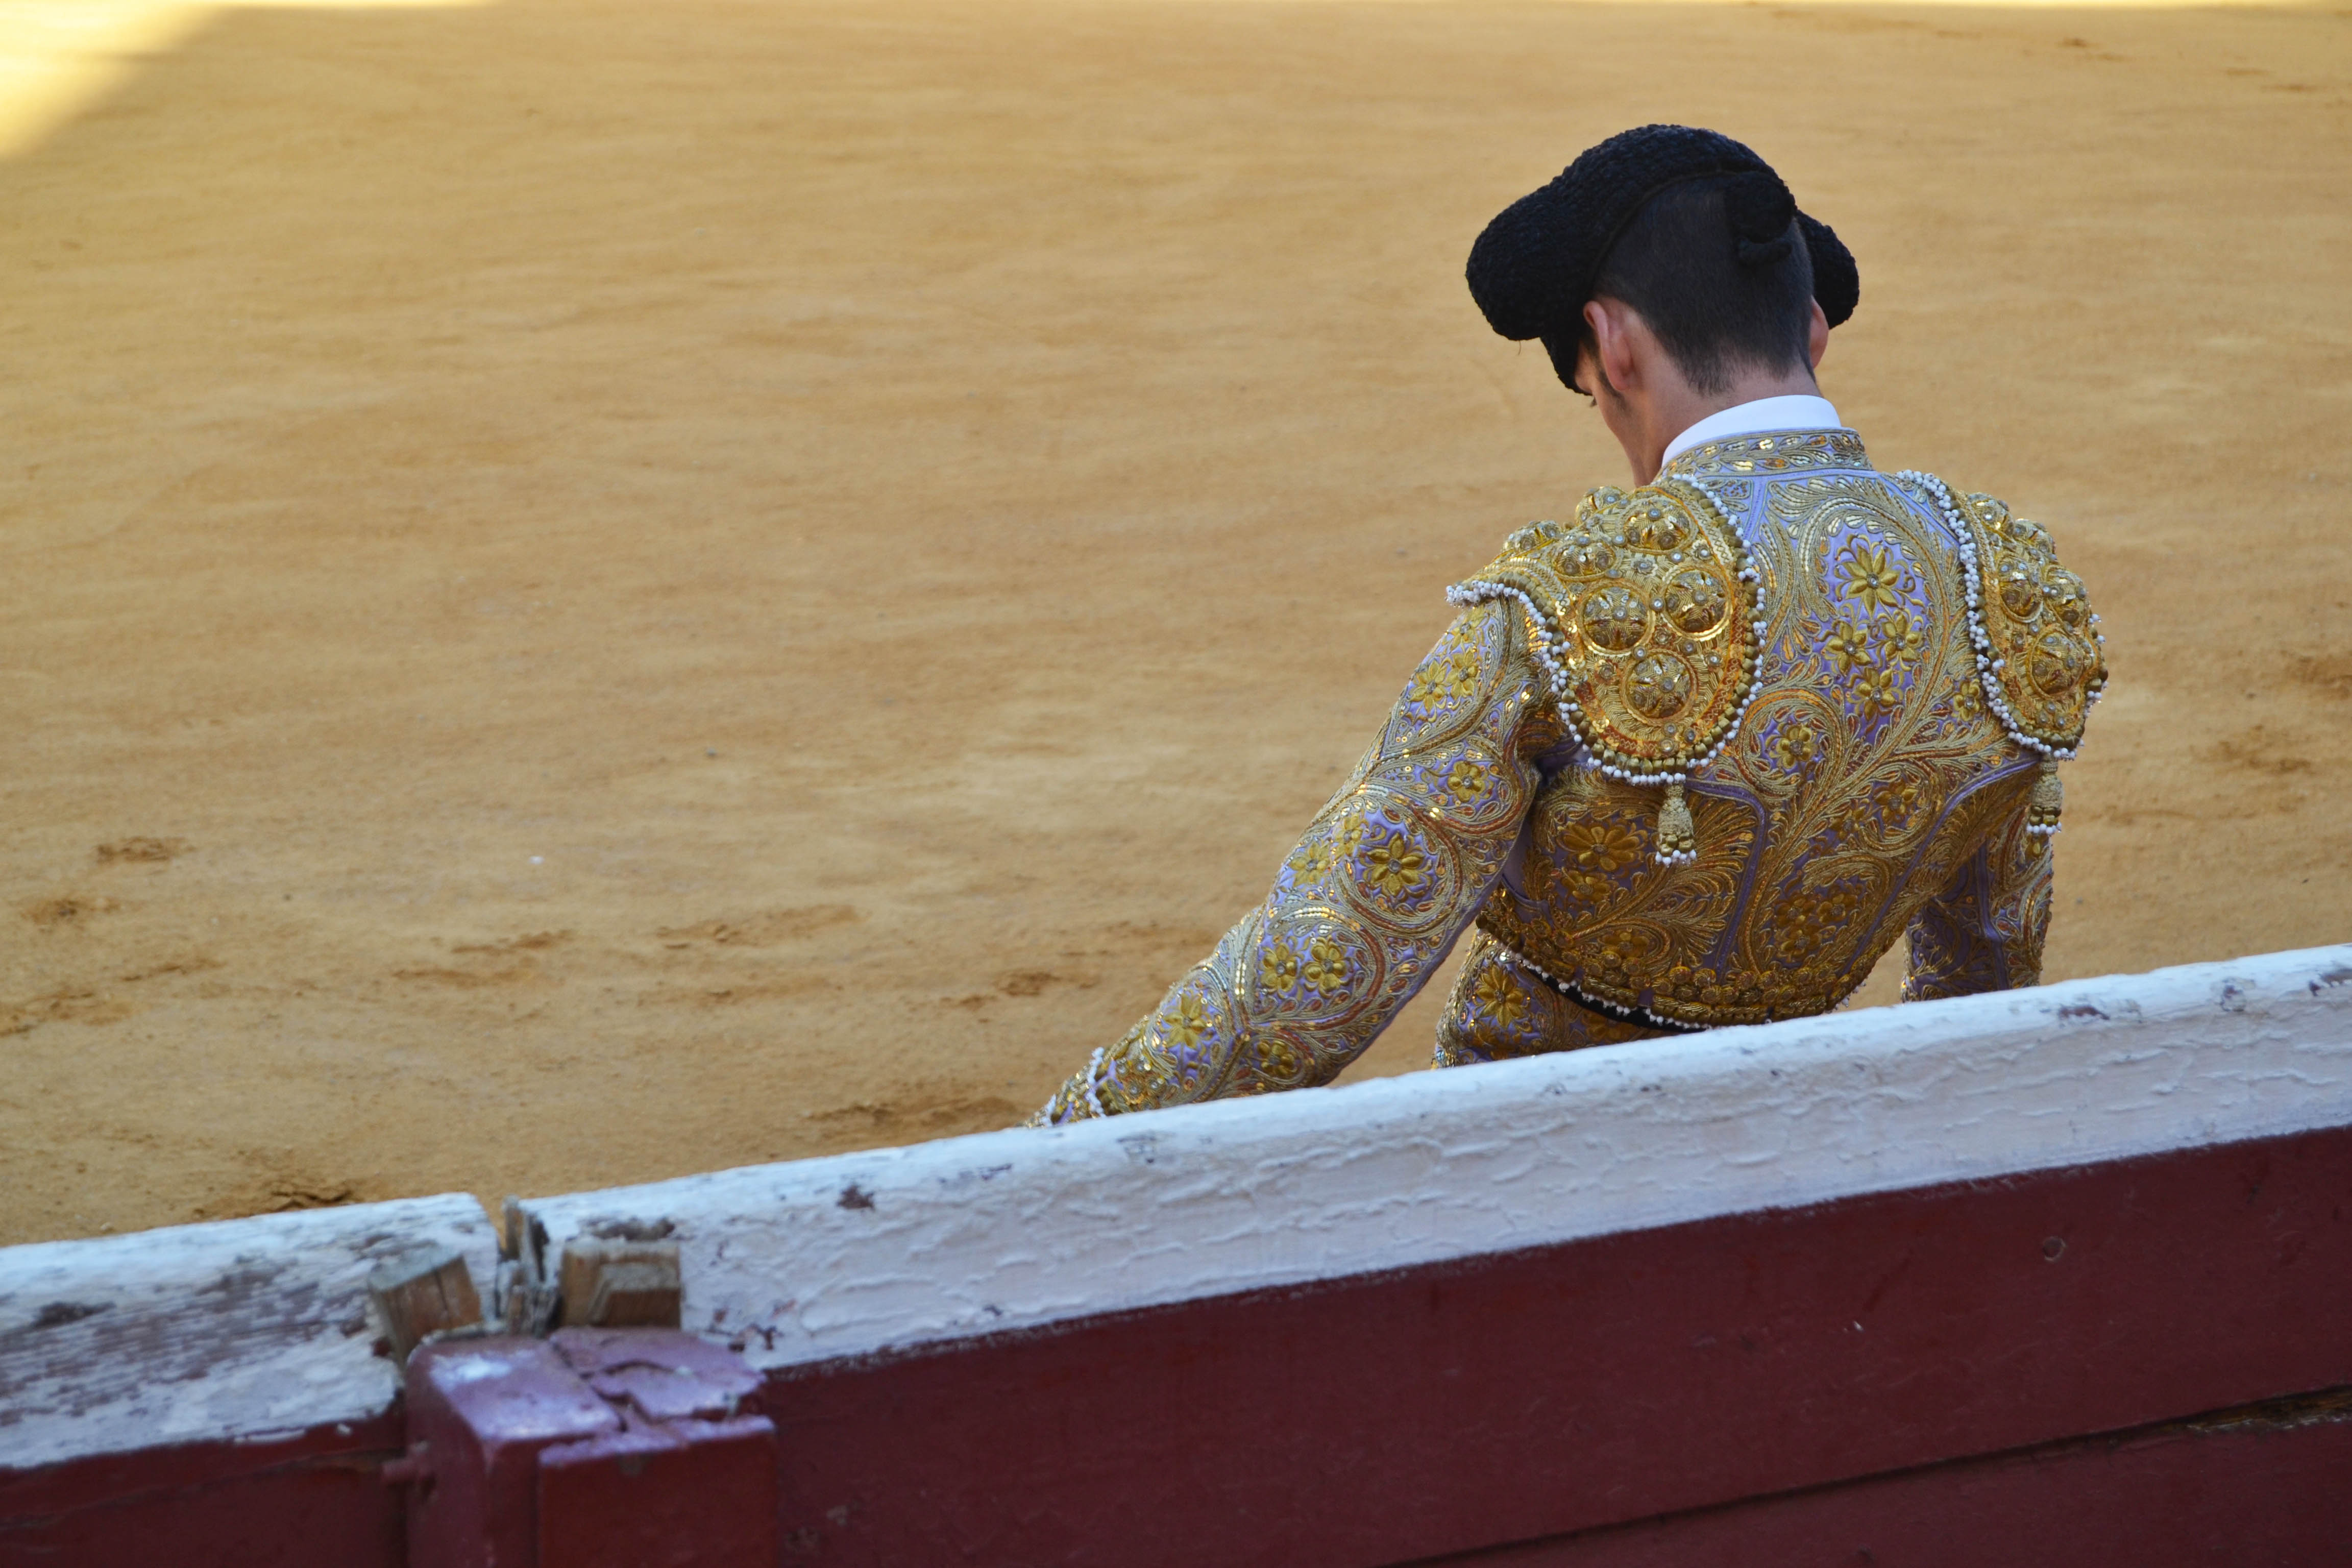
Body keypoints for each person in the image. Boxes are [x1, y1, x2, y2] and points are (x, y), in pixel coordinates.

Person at [1028, 125, 2104, 1125]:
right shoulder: (2001, 581)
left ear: (1612, 345)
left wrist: (1046, 1151)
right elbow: (1984, 980)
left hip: (1530, 1162)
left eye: (1588, 387)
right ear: (1813, 325)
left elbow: (1314, 981)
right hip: (1789, 1142)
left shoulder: (1565, 608)